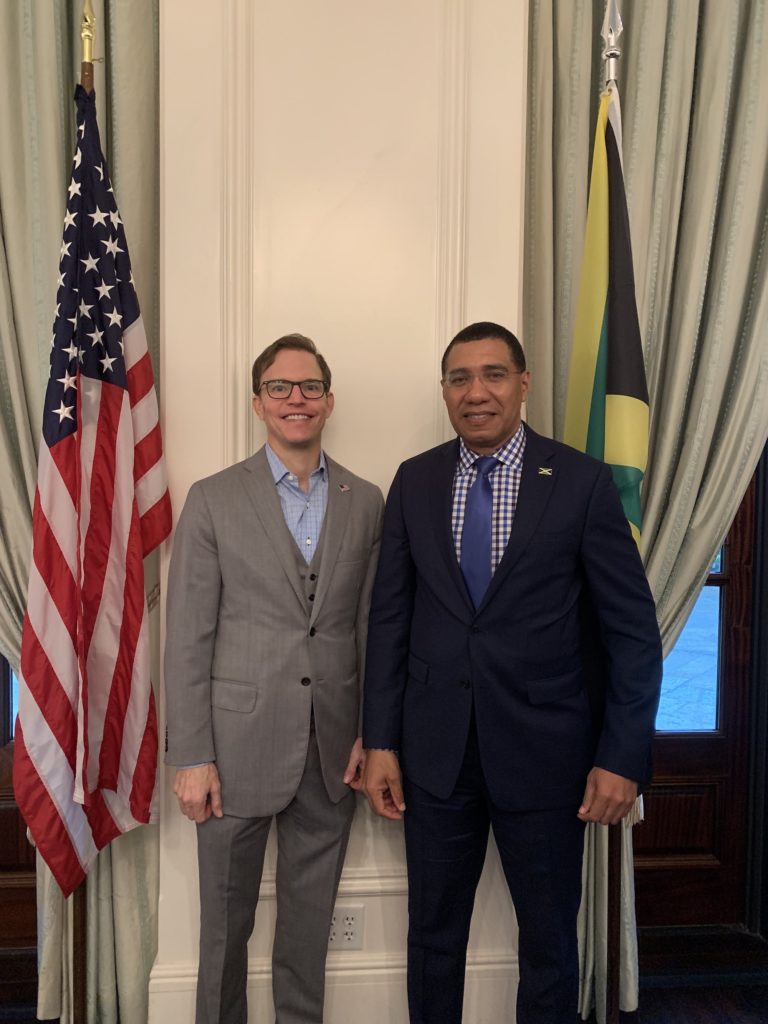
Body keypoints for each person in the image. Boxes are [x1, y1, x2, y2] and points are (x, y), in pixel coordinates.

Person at [361, 322, 662, 1024]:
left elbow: (631, 633)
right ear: (444, 391)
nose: (477, 392)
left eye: (493, 375)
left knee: (550, 944)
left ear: (523, 384)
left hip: (549, 757)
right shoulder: (415, 480)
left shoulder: (581, 482)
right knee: (432, 938)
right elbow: (389, 621)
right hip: (436, 758)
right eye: (460, 378)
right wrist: (380, 740)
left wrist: (622, 757)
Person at [164, 333, 384, 1024]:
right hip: (232, 754)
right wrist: (192, 755)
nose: (297, 399)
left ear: (329, 400)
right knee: (224, 930)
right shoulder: (212, 499)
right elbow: (188, 636)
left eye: (310, 387)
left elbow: (369, 630)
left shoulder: (365, 500)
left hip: (333, 754)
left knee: (307, 934)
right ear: (258, 403)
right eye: (280, 388)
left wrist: (371, 732)